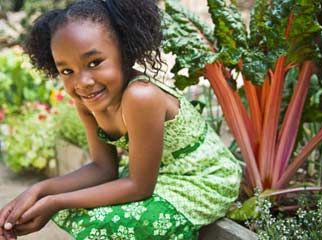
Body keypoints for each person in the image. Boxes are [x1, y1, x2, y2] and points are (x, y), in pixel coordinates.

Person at [0, 0, 242, 239]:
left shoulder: (140, 96)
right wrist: (39, 190)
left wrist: (54, 201)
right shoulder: (86, 102)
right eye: (67, 71)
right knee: (76, 209)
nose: (82, 82)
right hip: (157, 174)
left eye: (95, 63)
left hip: (202, 179)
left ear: (125, 51)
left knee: (103, 222)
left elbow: (139, 186)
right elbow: (103, 169)